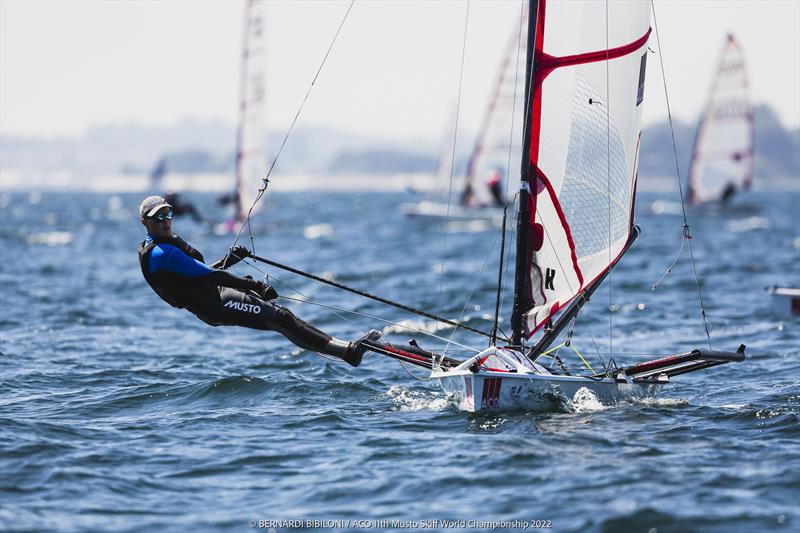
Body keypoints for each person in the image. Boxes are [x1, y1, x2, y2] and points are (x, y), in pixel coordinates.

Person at [137, 195, 380, 366]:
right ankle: (349, 353)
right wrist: (255, 285)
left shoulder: (164, 245)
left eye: (168, 213)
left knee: (282, 318)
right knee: (281, 319)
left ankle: (348, 350)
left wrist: (229, 260)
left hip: (215, 296)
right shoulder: (161, 253)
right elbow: (210, 276)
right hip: (214, 304)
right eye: (158, 217)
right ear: (145, 222)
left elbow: (199, 274)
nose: (165, 220)